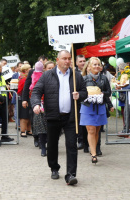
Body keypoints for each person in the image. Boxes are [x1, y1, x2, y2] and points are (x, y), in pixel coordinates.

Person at [31, 50, 87, 185]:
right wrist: (36, 104)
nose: (67, 61)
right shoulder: (47, 75)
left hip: (71, 116)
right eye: (64, 58)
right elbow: (36, 91)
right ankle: (54, 168)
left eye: (69, 58)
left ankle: (71, 174)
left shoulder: (76, 76)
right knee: (52, 145)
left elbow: (84, 92)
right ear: (57, 60)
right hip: (53, 116)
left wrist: (79, 95)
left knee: (71, 145)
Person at [80, 57, 111, 164]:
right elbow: (80, 92)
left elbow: (109, 92)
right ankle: (93, 154)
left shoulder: (104, 78)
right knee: (91, 130)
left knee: (97, 130)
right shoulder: (83, 79)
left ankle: (93, 149)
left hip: (100, 106)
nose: (97, 66)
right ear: (89, 66)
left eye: (98, 64)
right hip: (87, 107)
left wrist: (102, 93)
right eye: (94, 64)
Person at [22, 55, 47, 147]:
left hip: (45, 99)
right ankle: (36, 137)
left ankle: (43, 139)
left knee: (44, 118)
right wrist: (24, 99)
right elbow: (26, 85)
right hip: (34, 98)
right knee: (34, 118)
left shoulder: (47, 72)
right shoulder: (32, 72)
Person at [0, 61, 14, 142]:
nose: (2, 68)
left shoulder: (1, 76)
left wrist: (6, 86)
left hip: (4, 100)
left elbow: (2, 87)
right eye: (0, 67)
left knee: (5, 118)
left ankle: (4, 135)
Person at [75, 55, 86, 150]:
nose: (83, 63)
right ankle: (80, 140)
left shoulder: (89, 71)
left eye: (84, 61)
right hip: (78, 102)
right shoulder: (74, 73)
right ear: (76, 63)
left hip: (88, 100)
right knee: (79, 122)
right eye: (80, 61)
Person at [17, 64, 32, 137]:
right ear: (26, 70)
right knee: (24, 116)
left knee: (29, 115)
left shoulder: (26, 77)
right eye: (29, 68)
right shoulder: (23, 79)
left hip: (28, 98)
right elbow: (21, 90)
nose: (31, 69)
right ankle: (23, 131)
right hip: (23, 98)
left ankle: (29, 130)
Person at [11, 62, 23, 128]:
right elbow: (12, 85)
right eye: (20, 66)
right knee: (16, 110)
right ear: (17, 67)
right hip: (16, 95)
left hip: (23, 95)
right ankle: (18, 124)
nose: (21, 67)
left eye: (22, 66)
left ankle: (23, 124)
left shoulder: (26, 75)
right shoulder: (14, 75)